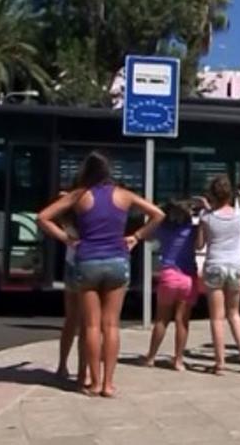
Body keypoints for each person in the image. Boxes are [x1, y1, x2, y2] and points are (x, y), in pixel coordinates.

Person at [37, 151, 164, 397]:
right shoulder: (124, 195)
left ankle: (93, 383)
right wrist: (136, 237)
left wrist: (67, 238)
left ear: (86, 171)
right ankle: (108, 384)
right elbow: (159, 214)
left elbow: (43, 217)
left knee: (92, 326)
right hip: (118, 260)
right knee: (111, 325)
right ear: (109, 171)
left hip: (87, 261)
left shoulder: (79, 195)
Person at [198, 176, 240, 375]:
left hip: (215, 265)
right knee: (234, 313)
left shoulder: (207, 217)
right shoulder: (239, 214)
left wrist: (204, 214)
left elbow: (199, 245)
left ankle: (220, 362)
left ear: (212, 195)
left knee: (217, 317)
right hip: (236, 266)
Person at [144, 200, 199, 371]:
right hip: (188, 277)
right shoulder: (192, 231)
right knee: (182, 321)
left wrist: (158, 212)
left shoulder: (163, 230)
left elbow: (146, 235)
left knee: (161, 320)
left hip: (168, 276)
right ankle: (179, 360)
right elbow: (201, 243)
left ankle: (151, 357)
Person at [56, 194, 84, 384]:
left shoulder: (68, 222)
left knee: (71, 320)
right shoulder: (94, 217)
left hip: (71, 265)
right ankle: (84, 371)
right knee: (89, 324)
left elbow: (58, 203)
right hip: (90, 265)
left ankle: (62, 365)